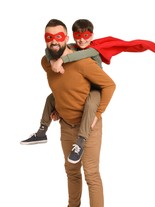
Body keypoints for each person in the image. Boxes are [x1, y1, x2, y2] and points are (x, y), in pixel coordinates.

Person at [41, 18, 116, 207]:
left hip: (88, 125)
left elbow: (109, 85)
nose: (54, 41)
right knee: (71, 170)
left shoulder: (83, 61)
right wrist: (56, 108)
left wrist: (98, 114)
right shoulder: (45, 62)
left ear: (67, 38)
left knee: (91, 174)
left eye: (59, 36)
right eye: (49, 37)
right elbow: (60, 88)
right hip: (66, 125)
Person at [20, 19, 102, 164]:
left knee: (90, 104)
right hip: (78, 90)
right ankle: (42, 131)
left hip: (95, 89)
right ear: (72, 36)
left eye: (86, 36)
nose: (82, 39)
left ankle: (81, 141)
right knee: (51, 98)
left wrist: (60, 60)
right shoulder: (73, 47)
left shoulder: (92, 50)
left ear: (92, 36)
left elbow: (74, 57)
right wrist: (52, 59)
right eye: (78, 35)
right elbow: (48, 50)